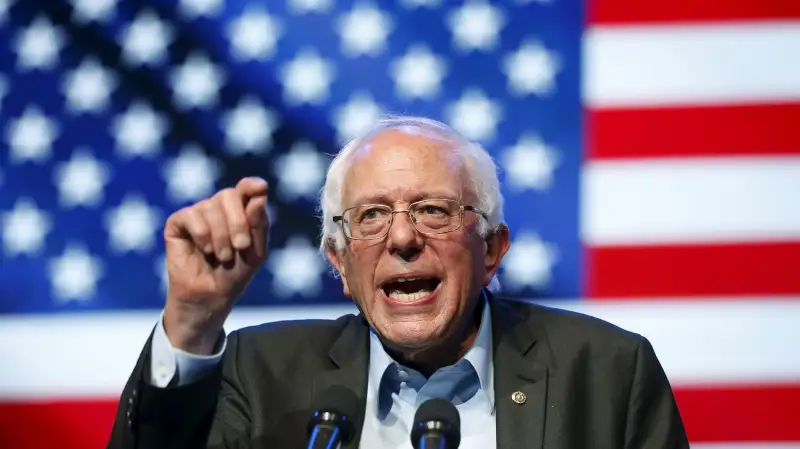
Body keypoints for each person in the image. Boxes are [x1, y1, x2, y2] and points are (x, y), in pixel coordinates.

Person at [106, 116, 689, 449]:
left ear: (491, 250)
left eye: (433, 210)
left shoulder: (608, 372)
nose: (403, 238)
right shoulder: (260, 375)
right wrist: (193, 320)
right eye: (371, 216)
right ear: (338, 260)